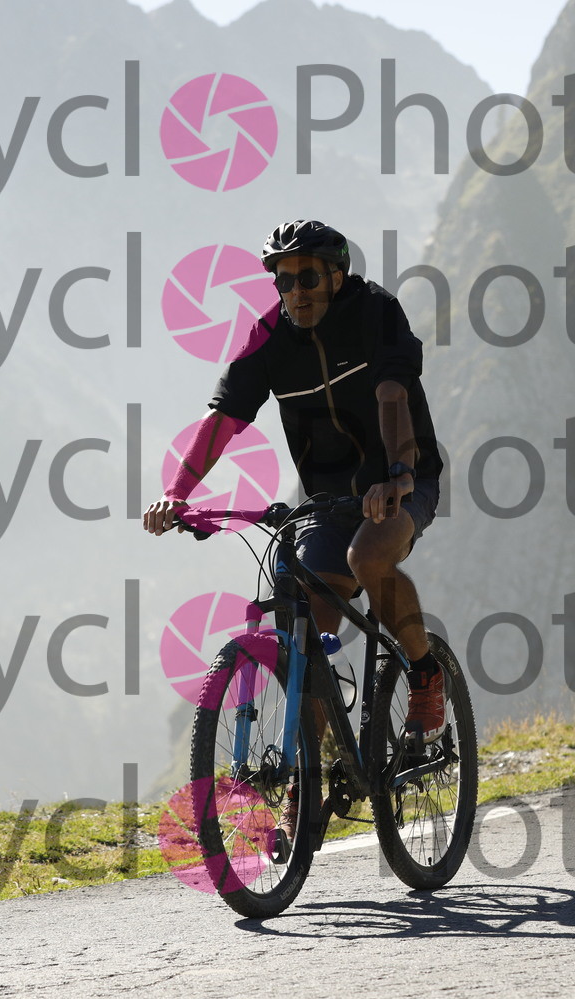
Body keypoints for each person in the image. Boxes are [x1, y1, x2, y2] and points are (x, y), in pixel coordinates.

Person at [143, 219, 447, 742]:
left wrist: (397, 474)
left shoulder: (374, 312)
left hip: (403, 480)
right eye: (284, 281)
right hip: (328, 500)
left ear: (336, 275)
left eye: (307, 279)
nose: (295, 293)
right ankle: (308, 775)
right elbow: (224, 418)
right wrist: (177, 493)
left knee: (368, 557)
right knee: (306, 641)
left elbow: (392, 394)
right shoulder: (270, 337)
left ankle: (424, 674)